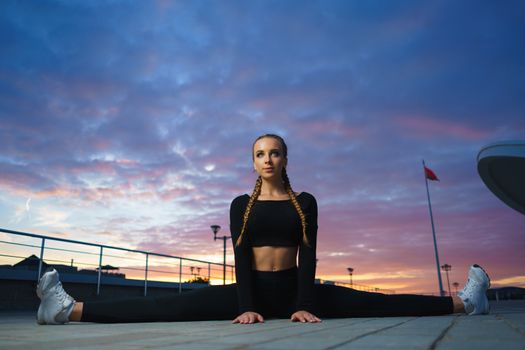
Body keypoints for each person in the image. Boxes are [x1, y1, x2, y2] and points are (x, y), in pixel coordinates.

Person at [36, 133, 491, 325]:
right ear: (253, 162)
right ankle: (65, 311)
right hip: (250, 291)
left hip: (297, 291)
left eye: (275, 152)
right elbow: (240, 258)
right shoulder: (242, 205)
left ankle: (467, 302)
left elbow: (309, 256)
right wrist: (248, 305)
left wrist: (305, 303)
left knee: (379, 303)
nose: (268, 158)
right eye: (260, 153)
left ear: (286, 159)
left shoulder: (305, 202)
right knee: (168, 308)